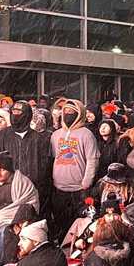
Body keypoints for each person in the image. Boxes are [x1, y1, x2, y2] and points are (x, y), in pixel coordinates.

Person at [48, 98, 99, 239]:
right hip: (59, 187)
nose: (69, 114)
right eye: (67, 112)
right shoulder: (55, 135)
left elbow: (92, 160)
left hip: (79, 189)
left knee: (79, 224)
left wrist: (86, 183)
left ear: (79, 113)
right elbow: (53, 158)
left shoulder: (87, 134)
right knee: (61, 222)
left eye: (72, 112)